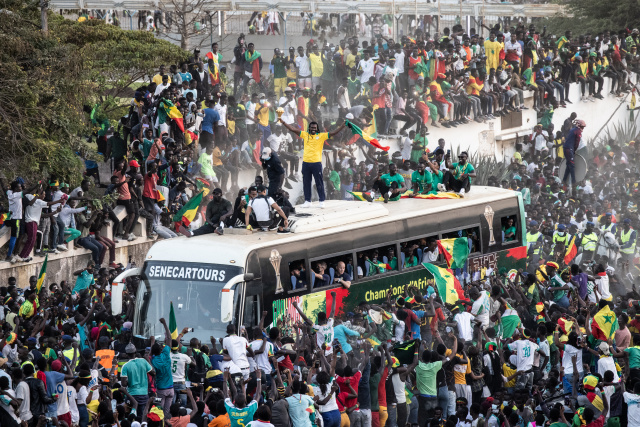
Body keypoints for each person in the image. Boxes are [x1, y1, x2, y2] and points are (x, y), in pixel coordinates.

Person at [277, 119, 345, 208]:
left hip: (316, 163)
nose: (313, 129)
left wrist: (342, 126)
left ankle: (321, 201)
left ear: (317, 129)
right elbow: (293, 129)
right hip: (306, 163)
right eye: (312, 127)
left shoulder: (321, 136)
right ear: (309, 128)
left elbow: (333, 133)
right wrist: (283, 122)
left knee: (319, 182)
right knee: (306, 182)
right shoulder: (305, 135)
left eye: (315, 128)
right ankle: (307, 201)